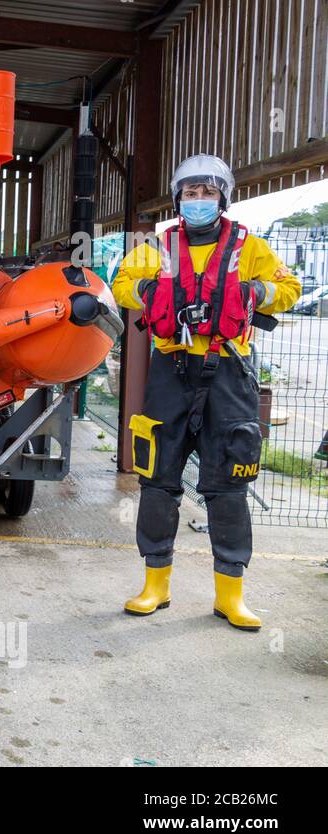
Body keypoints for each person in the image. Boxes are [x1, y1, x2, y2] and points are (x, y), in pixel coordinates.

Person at [112, 154, 300, 630]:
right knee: (157, 479)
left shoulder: (250, 247)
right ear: (178, 200)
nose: (198, 201)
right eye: (190, 194)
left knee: (229, 484)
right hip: (171, 370)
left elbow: (289, 287)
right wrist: (158, 293)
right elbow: (122, 285)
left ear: (223, 197)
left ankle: (230, 594)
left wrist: (254, 294)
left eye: (208, 193)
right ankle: (155, 585)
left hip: (228, 374)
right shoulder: (156, 246)